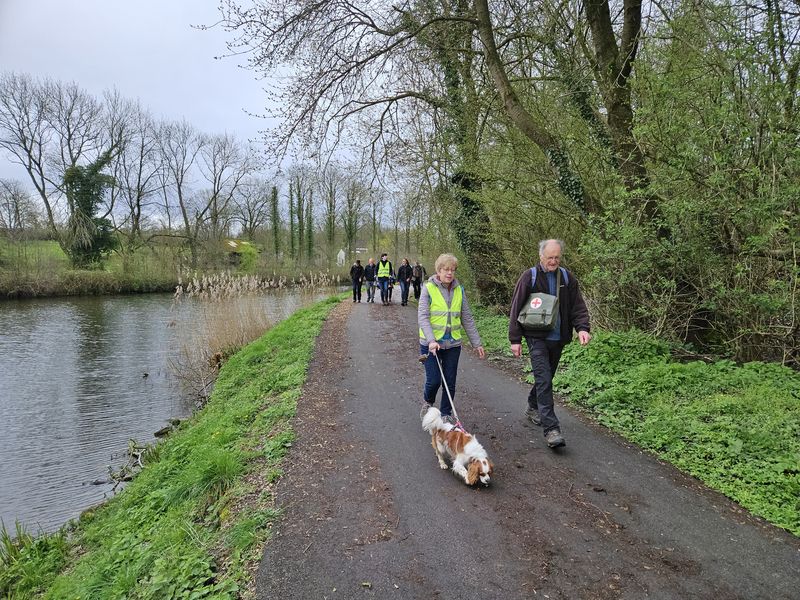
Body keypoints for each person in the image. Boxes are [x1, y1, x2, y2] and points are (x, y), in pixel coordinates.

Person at [508, 239, 591, 448]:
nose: (553, 261)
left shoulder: (567, 277)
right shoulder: (530, 277)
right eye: (549, 257)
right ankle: (551, 429)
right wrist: (515, 339)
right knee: (544, 379)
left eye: (557, 257)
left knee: (547, 377)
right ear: (541, 257)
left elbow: (577, 307)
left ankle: (532, 405)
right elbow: (516, 307)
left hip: (558, 338)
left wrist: (582, 328)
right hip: (536, 337)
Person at [418, 253, 485, 422]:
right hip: (431, 344)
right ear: (438, 270)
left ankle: (446, 414)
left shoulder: (459, 290)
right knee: (434, 380)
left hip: (453, 344)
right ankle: (428, 402)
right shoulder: (429, 288)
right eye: (446, 269)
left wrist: (477, 343)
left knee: (449, 381)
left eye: (452, 270)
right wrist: (431, 340)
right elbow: (423, 316)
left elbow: (467, 317)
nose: (449, 273)